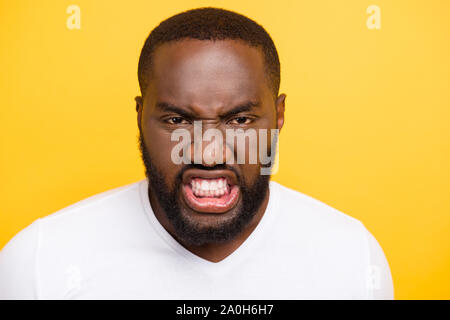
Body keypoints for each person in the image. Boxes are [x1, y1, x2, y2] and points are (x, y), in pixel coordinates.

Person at [0, 7, 393, 299]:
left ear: (279, 116)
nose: (208, 153)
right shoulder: (40, 262)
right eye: (177, 120)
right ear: (140, 117)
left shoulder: (351, 258)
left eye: (239, 121)